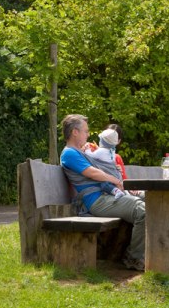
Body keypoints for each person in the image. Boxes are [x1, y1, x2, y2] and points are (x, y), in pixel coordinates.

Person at [59, 114, 146, 271]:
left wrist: (114, 170)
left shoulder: (80, 152)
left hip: (106, 196)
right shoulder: (69, 153)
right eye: (86, 131)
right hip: (97, 201)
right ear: (75, 132)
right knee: (142, 211)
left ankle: (149, 251)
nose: (88, 134)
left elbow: (100, 167)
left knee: (151, 199)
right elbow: (93, 173)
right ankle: (134, 257)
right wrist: (115, 179)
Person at [83, 128, 126, 199]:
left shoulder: (101, 151)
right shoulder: (111, 151)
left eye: (100, 140)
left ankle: (116, 191)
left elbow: (91, 155)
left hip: (107, 174)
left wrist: (87, 149)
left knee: (104, 184)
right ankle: (117, 190)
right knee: (109, 184)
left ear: (103, 142)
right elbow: (103, 155)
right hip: (114, 174)